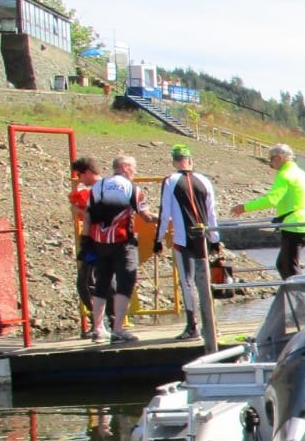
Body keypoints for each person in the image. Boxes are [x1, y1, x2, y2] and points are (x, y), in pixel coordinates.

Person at [155, 144, 222, 341]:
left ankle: (192, 327)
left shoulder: (170, 180)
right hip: (203, 236)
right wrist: (215, 240)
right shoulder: (204, 180)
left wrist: (158, 240)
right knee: (205, 281)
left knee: (187, 282)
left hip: (183, 239)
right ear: (191, 161)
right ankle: (211, 326)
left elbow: (164, 213)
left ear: (174, 162)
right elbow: (212, 212)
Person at [231, 143, 305, 280]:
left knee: (288, 267)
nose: (270, 163)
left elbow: (271, 200)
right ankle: (295, 291)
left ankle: (301, 293)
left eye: (271, 159)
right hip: (304, 225)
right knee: (283, 264)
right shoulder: (304, 176)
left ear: (280, 157)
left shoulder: (285, 175)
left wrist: (244, 207)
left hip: (293, 226)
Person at [86, 154, 153, 343]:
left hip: (99, 242)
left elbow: (88, 214)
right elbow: (146, 216)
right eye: (133, 167)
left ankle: (98, 329)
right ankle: (118, 329)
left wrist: (86, 240)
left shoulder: (98, 186)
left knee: (102, 283)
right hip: (123, 242)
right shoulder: (131, 188)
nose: (135, 171)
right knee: (125, 283)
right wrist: (168, 220)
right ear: (124, 167)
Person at [68, 158, 97, 317]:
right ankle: (103, 319)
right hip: (93, 240)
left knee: (86, 282)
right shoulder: (100, 189)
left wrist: (79, 210)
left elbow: (98, 216)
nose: (79, 179)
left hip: (96, 240)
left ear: (87, 172)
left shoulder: (100, 189)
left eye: (79, 175)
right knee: (89, 282)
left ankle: (104, 319)